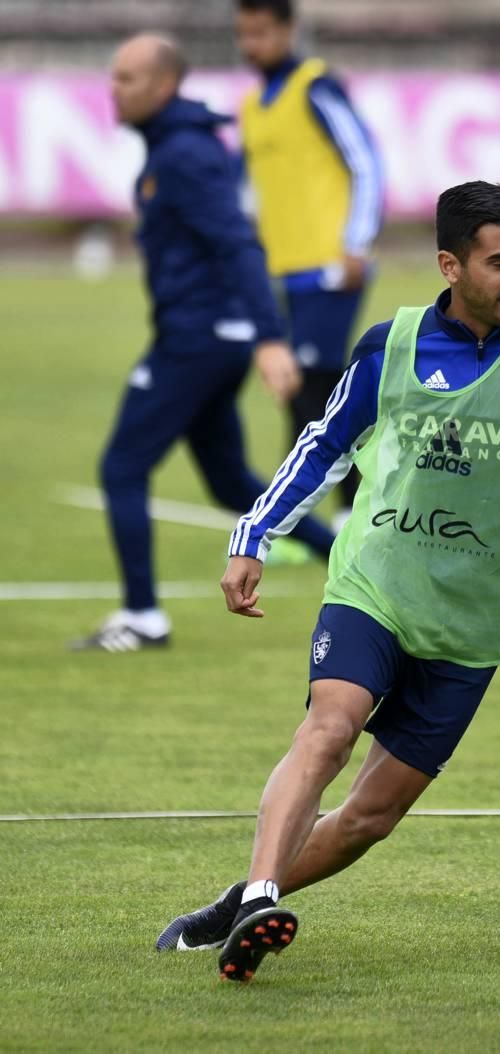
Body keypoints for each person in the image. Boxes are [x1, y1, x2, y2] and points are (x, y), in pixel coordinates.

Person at [155, 182, 500, 981]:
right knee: (330, 727)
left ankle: (242, 901)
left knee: (370, 817)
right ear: (450, 264)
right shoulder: (389, 346)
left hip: (471, 623)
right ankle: (264, 893)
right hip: (375, 584)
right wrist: (253, 535)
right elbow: (323, 446)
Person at [72, 33, 334, 653]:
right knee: (227, 481)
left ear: (164, 86)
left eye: (128, 78)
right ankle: (359, 561)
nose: (115, 88)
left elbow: (238, 243)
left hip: (198, 340)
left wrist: (270, 337)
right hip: (207, 338)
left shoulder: (185, 155)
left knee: (122, 467)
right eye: (113, 76)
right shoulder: (175, 148)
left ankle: (143, 617)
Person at [234, 0, 384, 523]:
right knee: (297, 389)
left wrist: (356, 243)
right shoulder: (253, 104)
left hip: (328, 265)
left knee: (314, 386)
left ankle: (345, 512)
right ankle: (300, 514)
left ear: (288, 30)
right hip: (281, 268)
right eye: (245, 34)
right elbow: (250, 191)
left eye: (261, 32)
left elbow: (365, 159)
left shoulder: (316, 86)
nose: (252, 44)